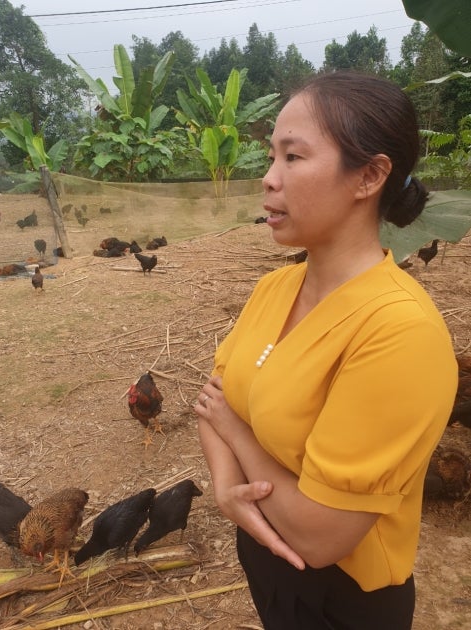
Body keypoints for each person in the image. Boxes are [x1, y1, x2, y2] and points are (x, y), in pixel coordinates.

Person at [194, 71, 458, 630]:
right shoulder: (276, 288)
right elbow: (210, 401)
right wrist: (225, 492)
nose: (268, 179)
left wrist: (237, 433)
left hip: (342, 599)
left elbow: (321, 536)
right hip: (266, 557)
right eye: (271, 157)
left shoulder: (397, 330)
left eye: (292, 158)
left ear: (369, 175)